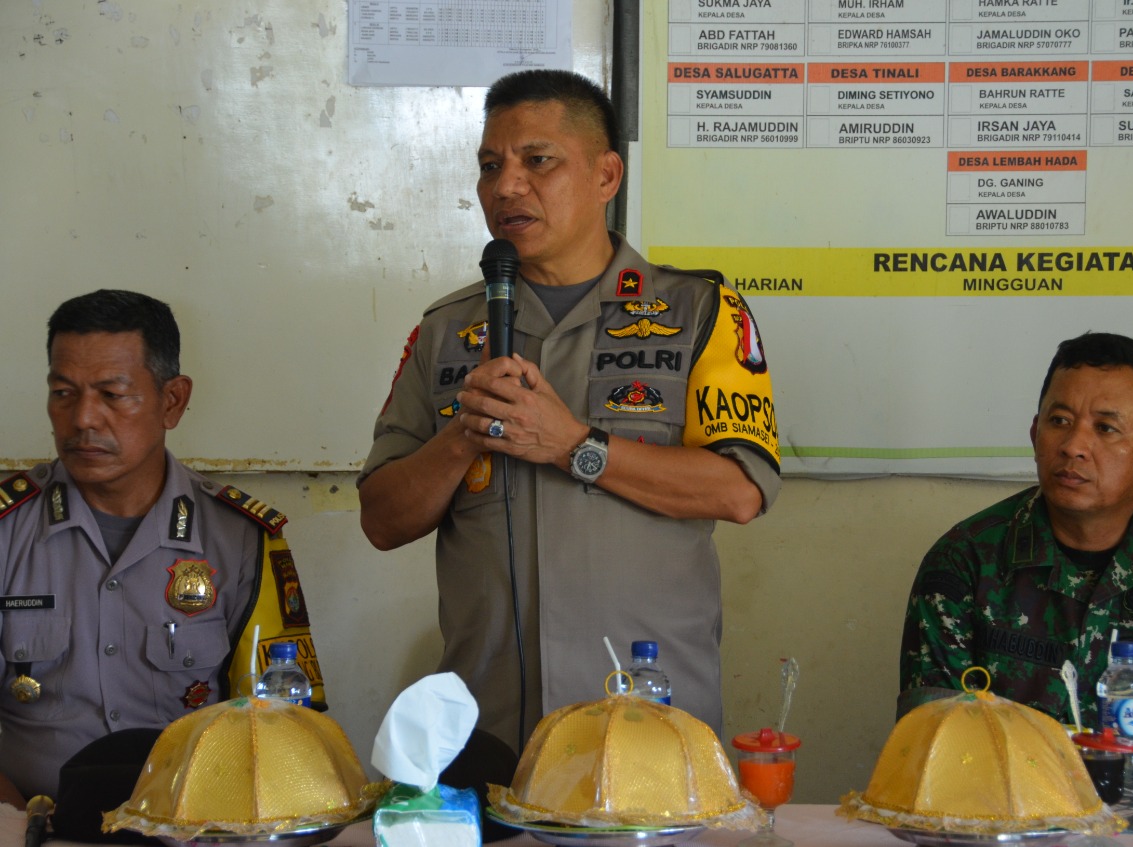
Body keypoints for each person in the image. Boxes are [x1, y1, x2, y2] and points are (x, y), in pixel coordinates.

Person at [358, 69, 781, 752]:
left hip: (651, 727)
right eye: (490, 165)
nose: (506, 186)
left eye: (537, 161)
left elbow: (740, 491)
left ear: (606, 175)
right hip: (489, 730)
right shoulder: (445, 331)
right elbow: (380, 518)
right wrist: (463, 437)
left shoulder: (698, 312)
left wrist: (574, 446)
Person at [899, 331, 1133, 845]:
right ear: (1035, 433)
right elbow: (932, 755)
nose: (1074, 446)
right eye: (1059, 421)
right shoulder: (963, 563)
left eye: (1106, 428)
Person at [0, 289, 327, 806]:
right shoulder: (7, 532)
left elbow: (284, 722)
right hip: (29, 822)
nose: (83, 418)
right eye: (64, 393)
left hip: (194, 826)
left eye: (112, 394)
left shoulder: (240, 539)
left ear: (171, 401)